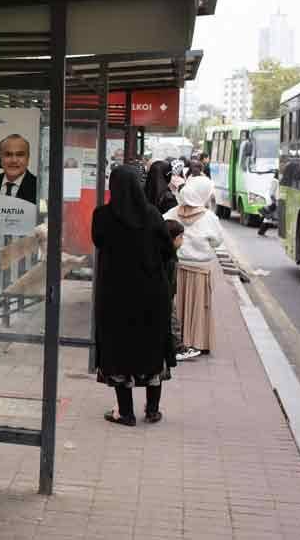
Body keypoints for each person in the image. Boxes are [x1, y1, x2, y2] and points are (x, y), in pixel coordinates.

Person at [92, 165, 176, 426]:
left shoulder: (103, 216)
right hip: (152, 296)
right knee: (152, 348)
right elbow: (167, 250)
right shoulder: (152, 215)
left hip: (116, 296)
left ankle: (125, 412)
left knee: (119, 349)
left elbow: (98, 241)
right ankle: (152, 410)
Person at [164, 176, 224, 360]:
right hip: (200, 268)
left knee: (176, 305)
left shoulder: (173, 212)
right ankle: (196, 341)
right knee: (198, 306)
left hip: (178, 266)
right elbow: (217, 241)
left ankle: (177, 340)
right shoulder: (210, 217)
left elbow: (162, 227)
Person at [0, 133, 37, 203]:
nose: (14, 160)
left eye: (20, 155)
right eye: (8, 154)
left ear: (28, 158)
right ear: (1, 158)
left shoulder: (38, 187)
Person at [165, 220, 186, 355]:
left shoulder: (168, 254)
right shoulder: (169, 257)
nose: (182, 241)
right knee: (172, 321)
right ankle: (177, 348)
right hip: (165, 295)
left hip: (167, 294)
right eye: (181, 237)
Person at [258, 169, 280, 236]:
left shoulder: (277, 181)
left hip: (274, 200)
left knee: (269, 218)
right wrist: (274, 201)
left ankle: (261, 232)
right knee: (268, 217)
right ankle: (261, 231)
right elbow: (271, 193)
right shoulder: (275, 181)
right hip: (272, 201)